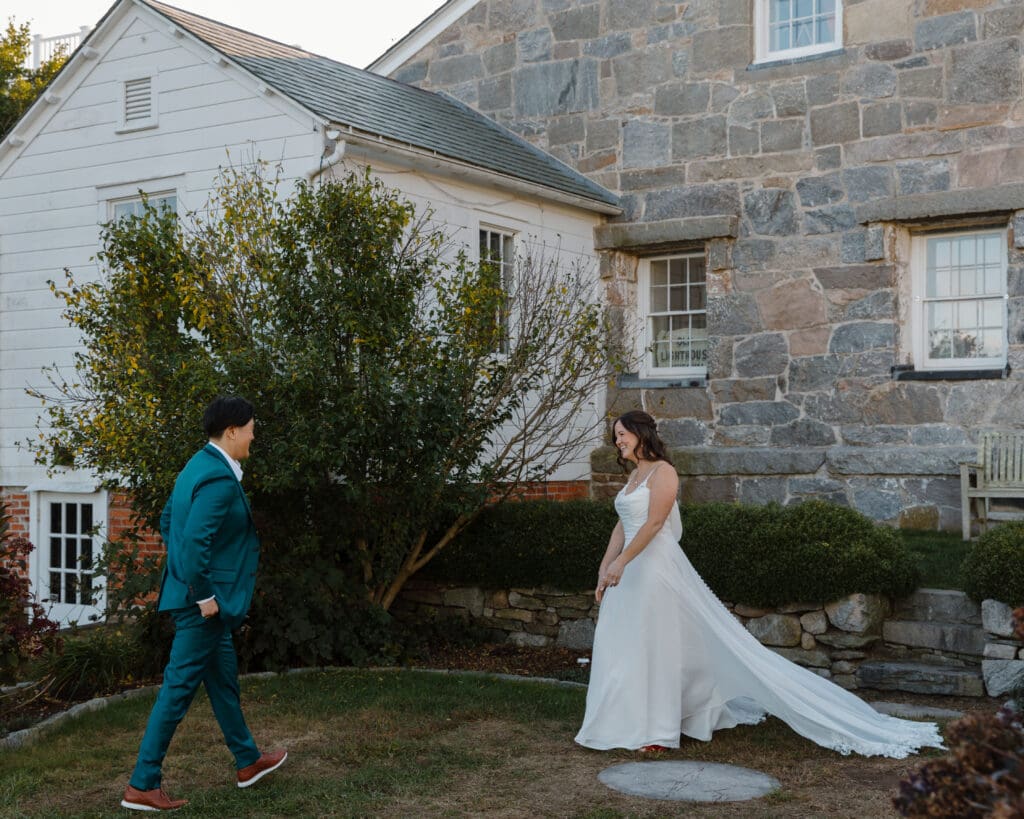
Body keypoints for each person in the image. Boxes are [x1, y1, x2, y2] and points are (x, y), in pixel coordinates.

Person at [575, 410, 944, 758]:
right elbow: (623, 524)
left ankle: (658, 730)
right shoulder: (634, 476)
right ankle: (624, 719)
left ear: (640, 434)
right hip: (630, 572)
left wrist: (623, 562)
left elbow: (654, 524)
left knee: (658, 646)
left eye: (621, 435)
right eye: (615, 437)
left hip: (654, 569)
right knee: (631, 645)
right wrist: (605, 566)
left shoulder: (663, 472)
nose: (617, 442)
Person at [122, 396, 286, 812]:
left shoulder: (197, 466)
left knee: (223, 681)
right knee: (177, 690)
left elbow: (168, 521)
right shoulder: (216, 478)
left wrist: (185, 574)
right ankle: (142, 784)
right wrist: (204, 593)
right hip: (202, 605)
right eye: (250, 427)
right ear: (232, 431)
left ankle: (248, 762)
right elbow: (193, 541)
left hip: (197, 599)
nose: (253, 435)